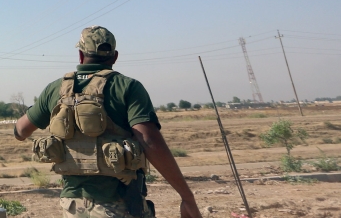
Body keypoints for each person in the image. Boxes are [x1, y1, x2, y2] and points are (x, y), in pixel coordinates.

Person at [12, 26, 202, 218]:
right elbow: (149, 140)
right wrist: (187, 197)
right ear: (114, 56)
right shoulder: (127, 87)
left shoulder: (55, 89)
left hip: (71, 206)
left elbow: (20, 131)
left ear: (80, 55)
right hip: (118, 205)